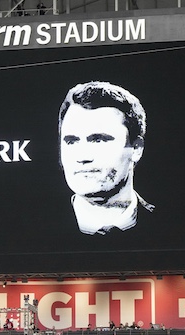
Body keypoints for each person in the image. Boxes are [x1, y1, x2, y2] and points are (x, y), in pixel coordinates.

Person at [58, 81, 154, 235]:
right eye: (71, 141)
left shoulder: (175, 225)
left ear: (136, 148)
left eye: (98, 140)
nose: (82, 157)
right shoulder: (30, 229)